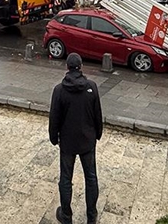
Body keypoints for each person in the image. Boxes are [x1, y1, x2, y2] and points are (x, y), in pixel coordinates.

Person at [49, 53, 103, 224]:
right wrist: (98, 134)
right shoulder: (92, 87)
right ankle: (91, 215)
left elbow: (54, 117)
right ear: (81, 66)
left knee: (66, 178)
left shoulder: (59, 90)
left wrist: (53, 137)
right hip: (88, 140)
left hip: (67, 142)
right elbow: (97, 114)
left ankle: (66, 215)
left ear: (67, 67)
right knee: (91, 177)